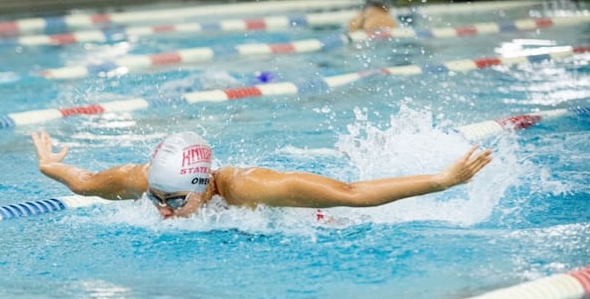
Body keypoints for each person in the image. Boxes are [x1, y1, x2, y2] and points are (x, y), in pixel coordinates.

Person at [32, 130, 493, 221]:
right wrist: (52, 166)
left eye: (175, 202)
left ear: (203, 185)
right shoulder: (143, 181)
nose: (163, 211)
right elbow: (84, 182)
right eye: (156, 198)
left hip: (316, 218)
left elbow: (352, 194)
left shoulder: (251, 189)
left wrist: (441, 181)